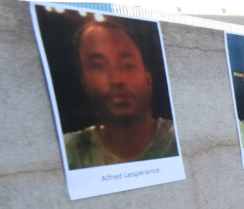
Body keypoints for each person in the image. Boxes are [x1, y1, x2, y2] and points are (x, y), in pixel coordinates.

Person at [63, 18, 178, 168]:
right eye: (98, 66)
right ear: (84, 81)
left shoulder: (180, 138)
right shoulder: (66, 152)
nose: (116, 79)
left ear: (148, 78)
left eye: (128, 65)